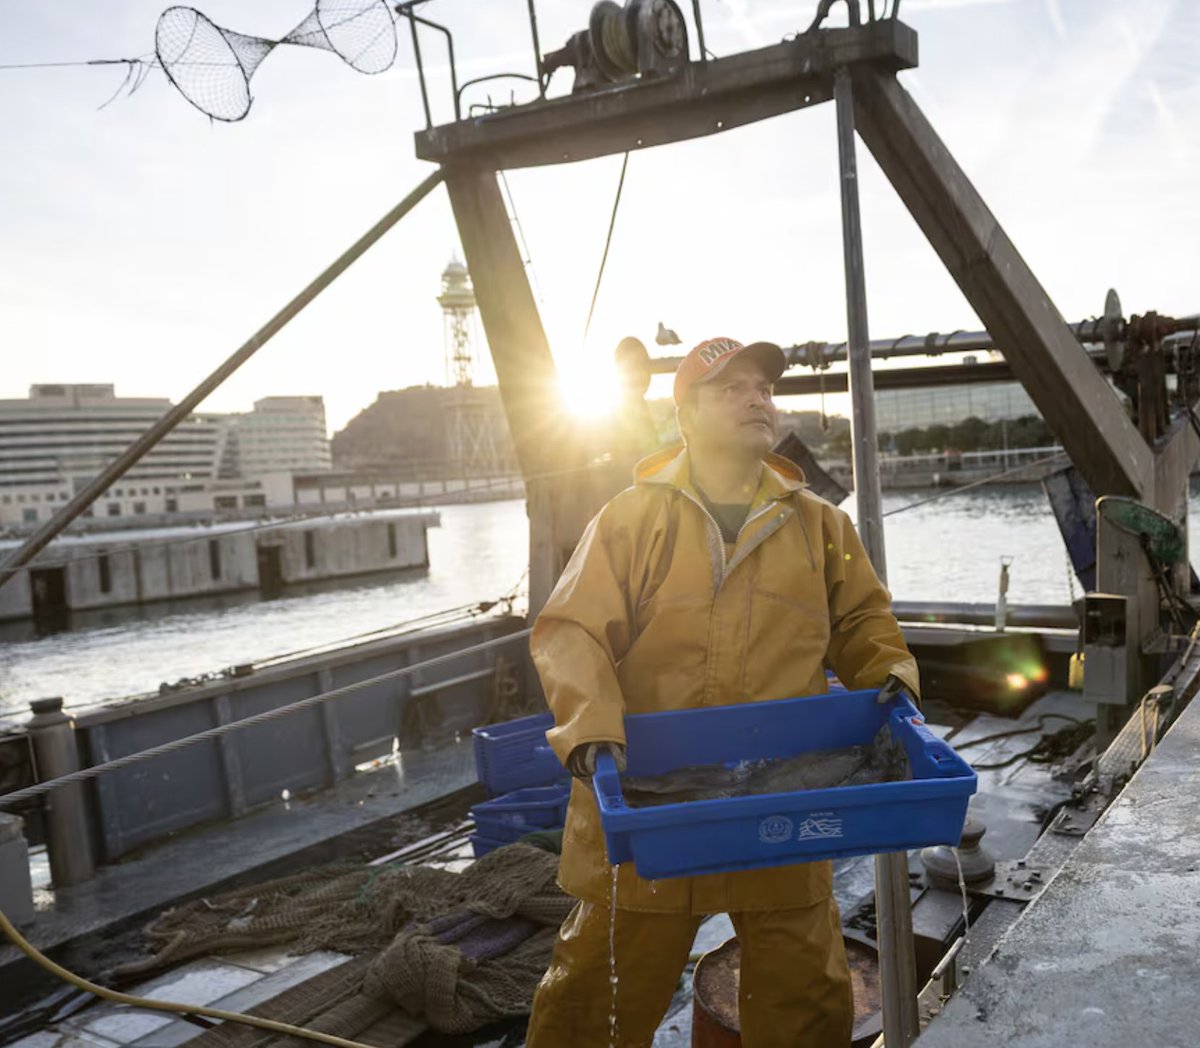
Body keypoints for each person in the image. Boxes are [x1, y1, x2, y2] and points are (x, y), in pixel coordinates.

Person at [525, 337, 920, 1047]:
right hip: (648, 802)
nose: (757, 399)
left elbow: (863, 621)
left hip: (781, 795)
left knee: (804, 996)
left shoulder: (819, 524)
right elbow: (571, 631)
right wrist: (589, 728)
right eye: (731, 388)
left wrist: (890, 675)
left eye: (763, 388)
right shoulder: (629, 520)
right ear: (686, 415)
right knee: (595, 1000)